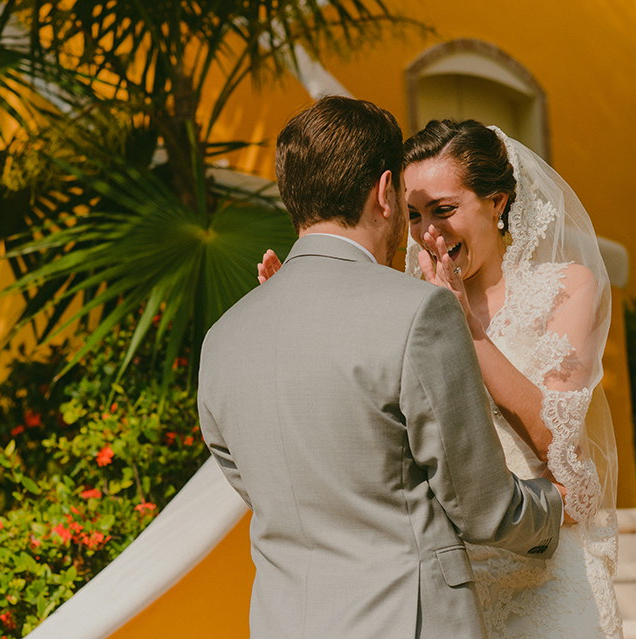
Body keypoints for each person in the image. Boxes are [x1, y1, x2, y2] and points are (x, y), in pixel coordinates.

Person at [199, 96, 565, 639]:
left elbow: (256, 484)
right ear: (384, 191)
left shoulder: (221, 339)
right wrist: (554, 503)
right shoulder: (419, 312)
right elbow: (484, 509)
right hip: (405, 621)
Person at [259, 118, 622, 638]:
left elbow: (559, 441)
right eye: (413, 215)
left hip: (546, 565)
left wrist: (467, 332)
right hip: (446, 588)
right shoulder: (399, 298)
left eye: (445, 210)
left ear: (498, 202)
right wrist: (303, 323)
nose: (429, 233)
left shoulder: (565, 288)